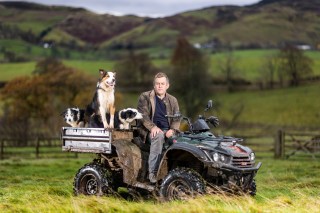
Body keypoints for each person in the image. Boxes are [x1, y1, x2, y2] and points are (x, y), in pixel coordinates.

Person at [137, 72, 180, 183]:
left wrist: (173, 129)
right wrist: (152, 128)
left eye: (162, 83)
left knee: (182, 140)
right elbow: (143, 116)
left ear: (167, 86)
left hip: (168, 131)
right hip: (149, 131)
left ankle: (177, 171)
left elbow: (176, 118)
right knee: (159, 135)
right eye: (157, 84)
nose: (160, 86)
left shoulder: (173, 100)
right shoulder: (145, 97)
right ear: (154, 85)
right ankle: (153, 173)